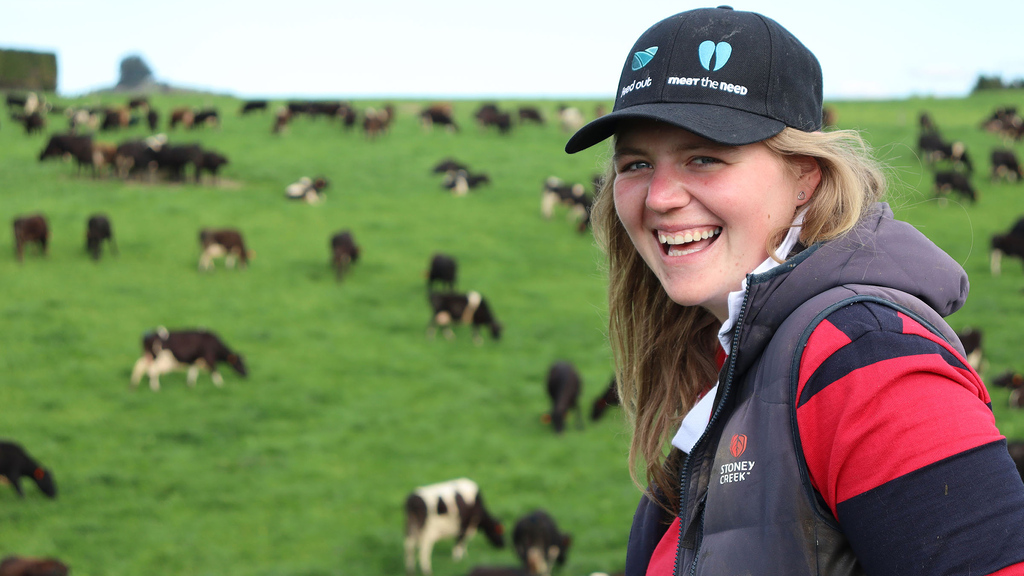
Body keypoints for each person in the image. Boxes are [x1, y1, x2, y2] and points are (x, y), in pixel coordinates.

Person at [564, 6, 1024, 575]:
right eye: (635, 163)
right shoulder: (738, 355)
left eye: (704, 157)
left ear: (805, 176)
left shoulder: (866, 359)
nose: (659, 197)